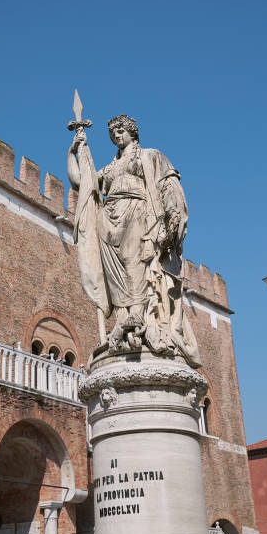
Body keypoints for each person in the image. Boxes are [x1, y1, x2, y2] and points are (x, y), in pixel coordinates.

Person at [67, 114, 200, 368]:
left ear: (132, 132)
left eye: (120, 130)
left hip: (138, 213)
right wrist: (76, 150)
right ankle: (124, 320)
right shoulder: (110, 169)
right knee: (115, 276)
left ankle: (139, 316)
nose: (116, 135)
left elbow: (169, 188)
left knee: (135, 263)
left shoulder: (149, 156)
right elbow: (80, 181)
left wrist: (169, 223)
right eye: (112, 133)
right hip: (109, 220)